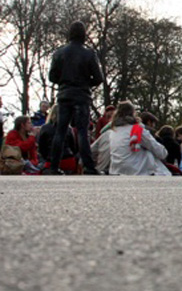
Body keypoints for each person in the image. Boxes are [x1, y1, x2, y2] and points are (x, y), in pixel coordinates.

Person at [44, 21, 103, 175]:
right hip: (81, 95)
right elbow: (98, 78)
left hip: (64, 94)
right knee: (83, 131)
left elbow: (52, 76)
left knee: (60, 131)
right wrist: (86, 83)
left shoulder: (59, 53)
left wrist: (64, 82)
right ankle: (88, 166)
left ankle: (54, 166)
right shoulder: (89, 54)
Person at [108, 101, 170, 176]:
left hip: (116, 170)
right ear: (133, 114)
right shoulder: (136, 129)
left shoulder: (113, 131)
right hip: (137, 170)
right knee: (149, 151)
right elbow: (159, 151)